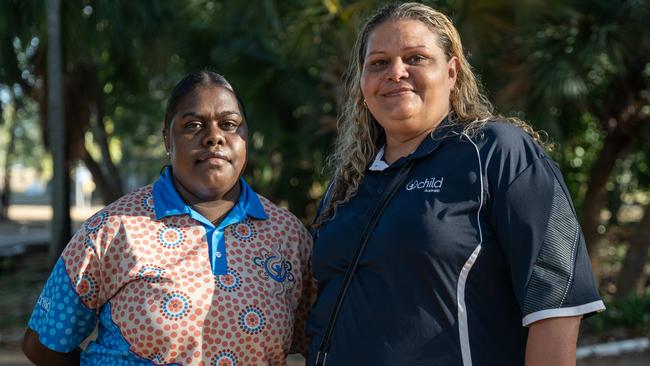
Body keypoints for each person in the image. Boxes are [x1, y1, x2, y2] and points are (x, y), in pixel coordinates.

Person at [307, 3, 604, 366]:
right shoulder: (348, 181)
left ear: (451, 72)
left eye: (415, 58)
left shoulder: (495, 150)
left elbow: (556, 300)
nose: (396, 72)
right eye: (379, 63)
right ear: (362, 82)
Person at [22, 71, 315, 365]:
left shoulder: (288, 235)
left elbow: (317, 341)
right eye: (193, 125)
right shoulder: (113, 228)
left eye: (229, 125)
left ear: (246, 137)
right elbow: (43, 344)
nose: (214, 136)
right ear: (167, 138)